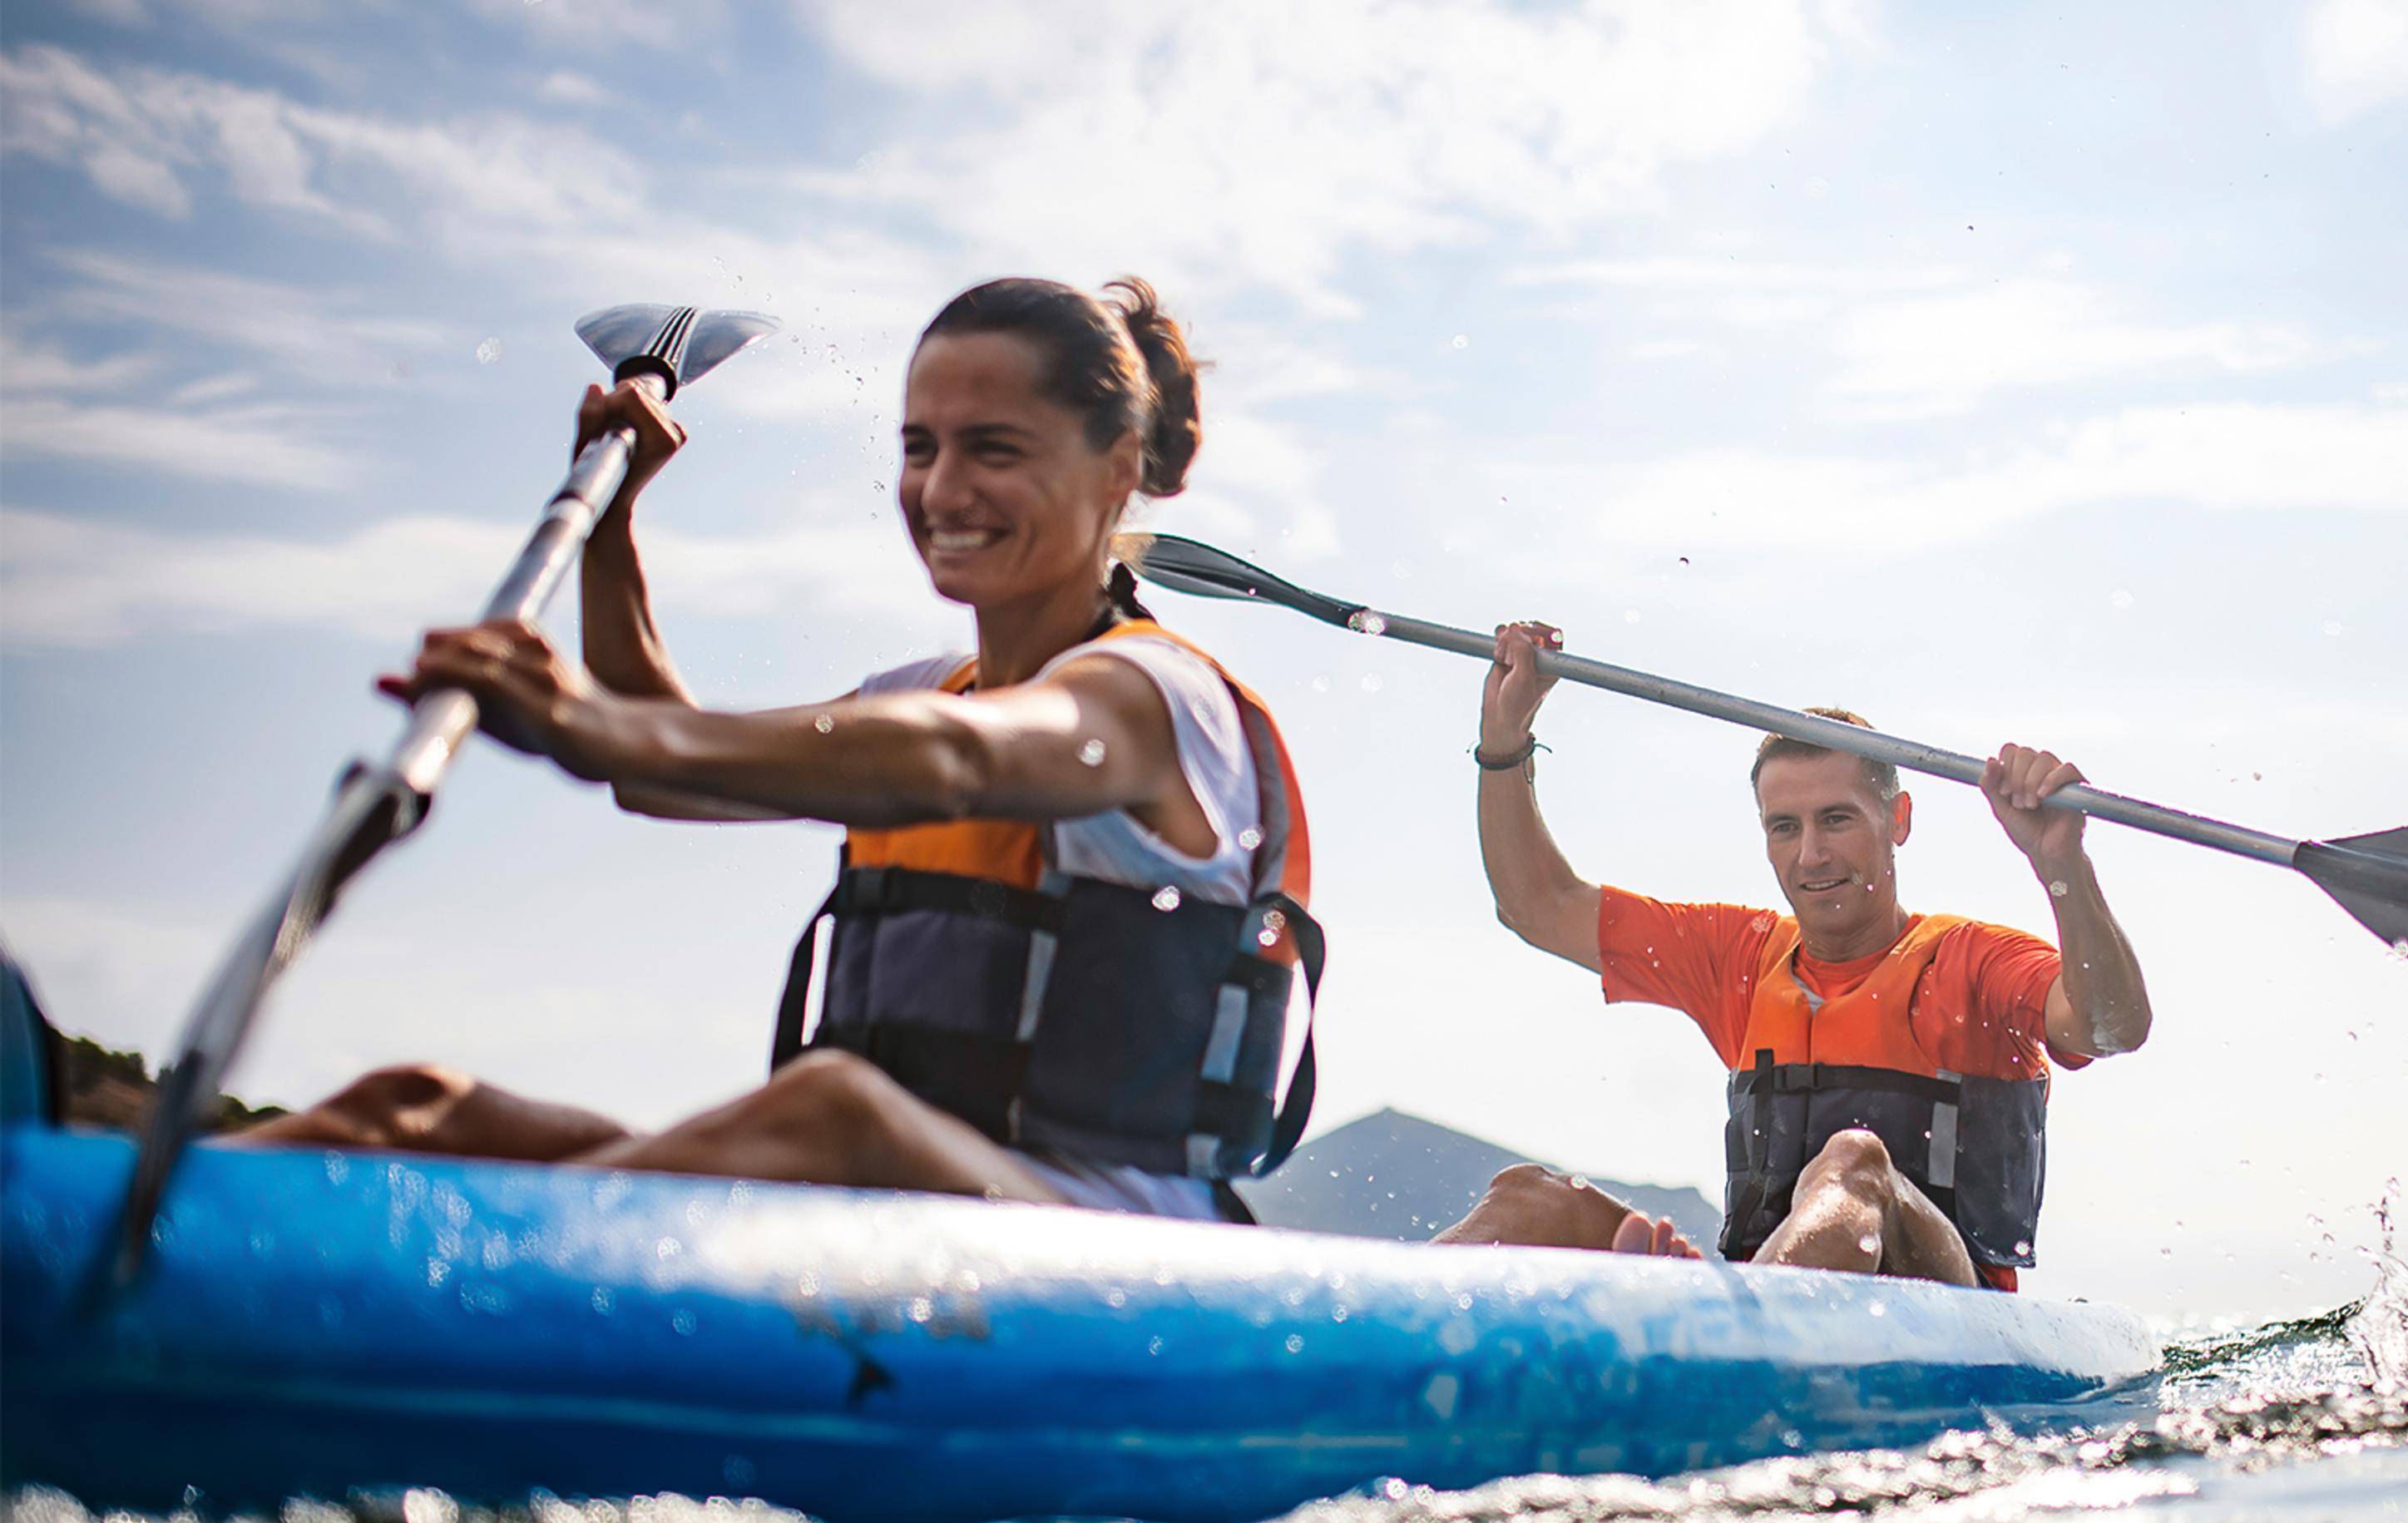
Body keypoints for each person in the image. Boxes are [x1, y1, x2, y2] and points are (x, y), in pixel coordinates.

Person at [238, 278, 1320, 1222]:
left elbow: (953, 758)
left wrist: (582, 718)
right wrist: (612, 533)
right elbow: (659, 768)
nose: (943, 491)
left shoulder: (1155, 699)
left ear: (1116, 468)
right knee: (419, 1107)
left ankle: (462, 1292)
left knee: (834, 1109)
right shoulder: (920, 688)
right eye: (920, 447)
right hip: (887, 1209)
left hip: (1111, 1250)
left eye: (995, 450)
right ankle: (97, 1232)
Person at [1435, 623, 2150, 1288]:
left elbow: (2112, 1026)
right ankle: (1336, 1350)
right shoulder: (1738, 957)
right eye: (1785, 827)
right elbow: (1536, 905)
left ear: (1897, 821)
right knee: (1528, 1196)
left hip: (1948, 1312)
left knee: (1854, 1160)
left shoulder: (1973, 961)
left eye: (1836, 819)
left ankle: (1729, 1339)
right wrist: (1505, 737)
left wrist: (2061, 862)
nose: (1811, 855)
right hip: (1769, 1295)